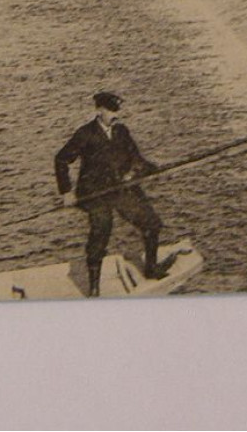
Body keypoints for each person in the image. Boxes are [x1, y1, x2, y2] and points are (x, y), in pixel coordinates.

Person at [54, 92, 172, 297]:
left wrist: (151, 168)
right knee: (101, 230)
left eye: (118, 111)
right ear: (99, 110)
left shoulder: (121, 131)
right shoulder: (85, 134)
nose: (116, 115)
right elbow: (61, 160)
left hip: (118, 190)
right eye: (112, 111)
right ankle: (94, 289)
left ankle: (151, 269)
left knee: (151, 223)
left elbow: (136, 158)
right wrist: (66, 192)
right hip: (94, 194)